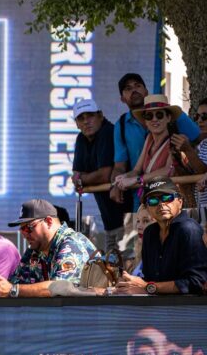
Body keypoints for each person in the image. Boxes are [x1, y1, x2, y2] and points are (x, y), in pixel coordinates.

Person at [110, 74, 201, 214]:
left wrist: (136, 180)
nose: (154, 120)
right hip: (149, 201)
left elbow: (168, 170)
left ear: (168, 117)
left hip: (173, 203)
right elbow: (136, 169)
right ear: (145, 120)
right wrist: (121, 179)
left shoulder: (177, 139)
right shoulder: (148, 139)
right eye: (149, 116)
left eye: (159, 115)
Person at [0, 199, 96, 298]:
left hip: (91, 318)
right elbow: (17, 283)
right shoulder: (35, 249)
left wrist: (13, 290)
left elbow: (59, 289)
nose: (24, 233)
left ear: (49, 222)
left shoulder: (71, 244)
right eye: (21, 229)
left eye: (28, 227)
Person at [114, 178, 207, 295]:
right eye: (153, 200)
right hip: (156, 307)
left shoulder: (188, 229)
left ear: (180, 202)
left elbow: (197, 282)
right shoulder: (149, 233)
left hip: (189, 309)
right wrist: (129, 285)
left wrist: (148, 287)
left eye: (167, 198)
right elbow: (149, 280)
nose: (161, 204)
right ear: (147, 207)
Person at [70, 99, 124, 250]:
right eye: (81, 118)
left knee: (125, 268)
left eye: (90, 116)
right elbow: (76, 176)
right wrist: (81, 178)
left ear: (100, 116)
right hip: (110, 220)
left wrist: (83, 178)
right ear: (76, 124)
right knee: (113, 267)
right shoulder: (81, 138)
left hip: (128, 219)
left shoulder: (107, 132)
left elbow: (105, 175)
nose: (86, 121)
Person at [127, 205, 155, 277]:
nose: (139, 226)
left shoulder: (165, 255)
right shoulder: (140, 251)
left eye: (146, 221)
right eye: (138, 221)